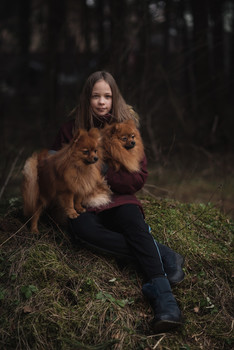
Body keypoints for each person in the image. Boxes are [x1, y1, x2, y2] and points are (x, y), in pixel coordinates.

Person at [51, 71, 184, 333]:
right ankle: (162, 253)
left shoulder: (126, 128)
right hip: (84, 201)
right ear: (87, 98)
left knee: (132, 222)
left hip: (119, 198)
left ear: (115, 98)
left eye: (107, 96)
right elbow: (55, 163)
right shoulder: (70, 129)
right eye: (96, 96)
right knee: (82, 229)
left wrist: (105, 173)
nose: (102, 102)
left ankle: (165, 301)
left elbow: (138, 177)